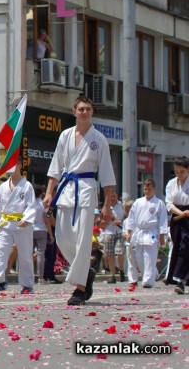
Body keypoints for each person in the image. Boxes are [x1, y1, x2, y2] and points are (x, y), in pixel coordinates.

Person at [43, 95, 116, 306]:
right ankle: (88, 271)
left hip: (85, 190)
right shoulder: (65, 136)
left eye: (88, 109)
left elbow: (107, 174)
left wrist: (106, 205)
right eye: (80, 109)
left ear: (92, 112)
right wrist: (49, 192)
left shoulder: (99, 139)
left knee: (83, 240)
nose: (84, 112)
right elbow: (56, 166)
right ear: (74, 112)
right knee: (63, 237)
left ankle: (80, 289)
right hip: (66, 189)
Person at [0, 159, 36, 295]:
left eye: (13, 165)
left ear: (19, 165)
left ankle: (27, 284)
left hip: (21, 223)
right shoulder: (3, 186)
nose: (10, 168)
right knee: (1, 251)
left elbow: (31, 205)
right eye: (8, 166)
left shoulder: (27, 185)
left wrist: (27, 219)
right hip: (6, 223)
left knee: (24, 255)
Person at [126, 179, 167, 289]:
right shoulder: (138, 202)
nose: (147, 191)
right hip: (139, 231)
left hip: (152, 232)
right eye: (145, 189)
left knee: (150, 256)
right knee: (138, 257)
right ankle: (152, 274)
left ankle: (148, 281)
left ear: (154, 189)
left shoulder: (159, 203)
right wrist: (129, 232)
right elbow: (131, 218)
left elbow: (163, 220)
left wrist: (162, 235)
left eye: (149, 189)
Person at [164, 156, 189, 294]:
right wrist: (181, 213)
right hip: (177, 217)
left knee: (185, 247)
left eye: (182, 172)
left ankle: (180, 281)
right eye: (176, 172)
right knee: (177, 245)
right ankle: (177, 277)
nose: (179, 175)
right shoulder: (171, 183)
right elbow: (169, 203)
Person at [101, 190, 125, 283]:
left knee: (120, 252)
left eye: (114, 196)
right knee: (109, 254)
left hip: (119, 231)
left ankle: (121, 270)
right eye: (110, 196)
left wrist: (120, 221)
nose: (112, 198)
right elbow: (101, 220)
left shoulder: (122, 205)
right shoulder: (105, 207)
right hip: (109, 231)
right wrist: (106, 220)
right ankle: (112, 275)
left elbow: (127, 217)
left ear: (117, 196)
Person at [32, 184, 53, 284]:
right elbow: (47, 219)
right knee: (41, 254)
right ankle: (41, 278)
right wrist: (51, 234)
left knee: (28, 254)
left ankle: (28, 276)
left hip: (30, 229)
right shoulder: (43, 204)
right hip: (42, 229)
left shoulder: (29, 203)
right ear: (41, 194)